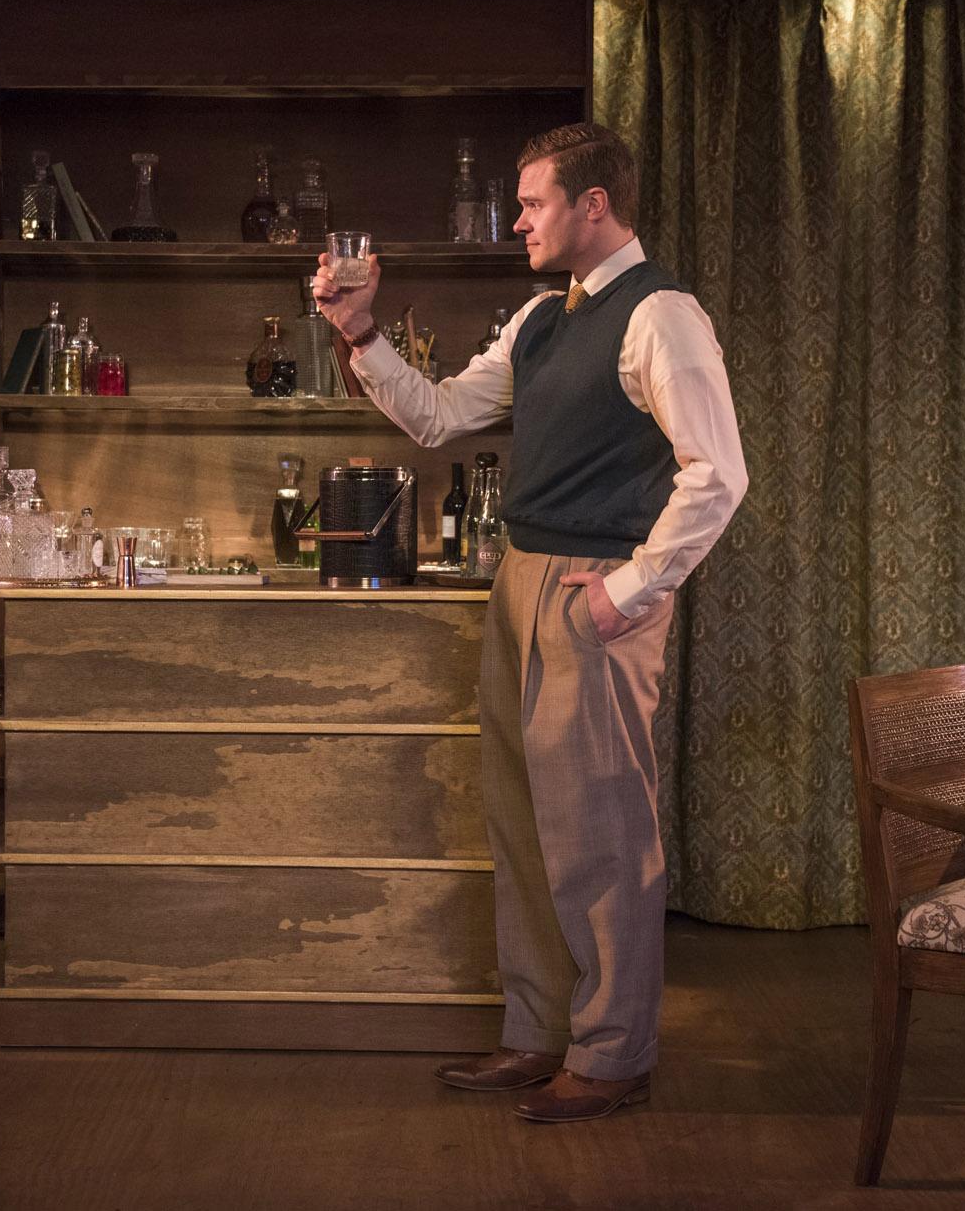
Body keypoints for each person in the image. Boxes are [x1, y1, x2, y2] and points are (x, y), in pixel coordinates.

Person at [312, 123, 747, 1123]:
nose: (518, 219)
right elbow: (436, 416)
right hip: (522, 578)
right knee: (524, 820)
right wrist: (361, 331)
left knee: (599, 825)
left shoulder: (662, 313)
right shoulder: (544, 318)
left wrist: (624, 591)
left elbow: (719, 476)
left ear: (594, 205)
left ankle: (611, 1050)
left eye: (534, 202)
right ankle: (539, 1031)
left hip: (594, 587)